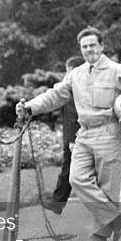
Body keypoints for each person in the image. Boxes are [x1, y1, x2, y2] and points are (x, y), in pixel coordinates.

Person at [16, 27, 121, 241]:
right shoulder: (76, 74)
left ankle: (101, 232)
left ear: (102, 46)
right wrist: (29, 107)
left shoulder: (117, 70)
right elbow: (55, 95)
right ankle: (114, 216)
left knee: (107, 185)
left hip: (109, 132)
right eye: (84, 47)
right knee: (76, 178)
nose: (89, 50)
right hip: (84, 133)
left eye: (93, 45)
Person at [43, 56, 84, 214]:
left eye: (68, 71)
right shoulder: (71, 87)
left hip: (76, 136)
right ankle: (58, 202)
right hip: (71, 134)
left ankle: (58, 202)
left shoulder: (75, 88)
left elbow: (74, 115)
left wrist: (72, 139)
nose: (67, 75)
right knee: (69, 168)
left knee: (71, 169)